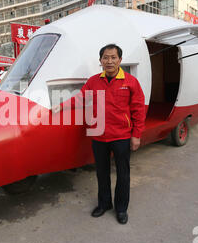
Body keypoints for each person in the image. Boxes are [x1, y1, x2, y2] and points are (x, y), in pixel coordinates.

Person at [57, 44, 146, 225]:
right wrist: (60, 105)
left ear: (120, 60)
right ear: (100, 61)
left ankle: (121, 209)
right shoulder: (93, 81)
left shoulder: (130, 82)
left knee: (123, 174)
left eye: (113, 57)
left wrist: (136, 134)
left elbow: (138, 109)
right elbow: (80, 99)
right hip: (99, 136)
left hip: (121, 136)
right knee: (102, 173)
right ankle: (104, 204)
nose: (109, 61)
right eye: (105, 57)